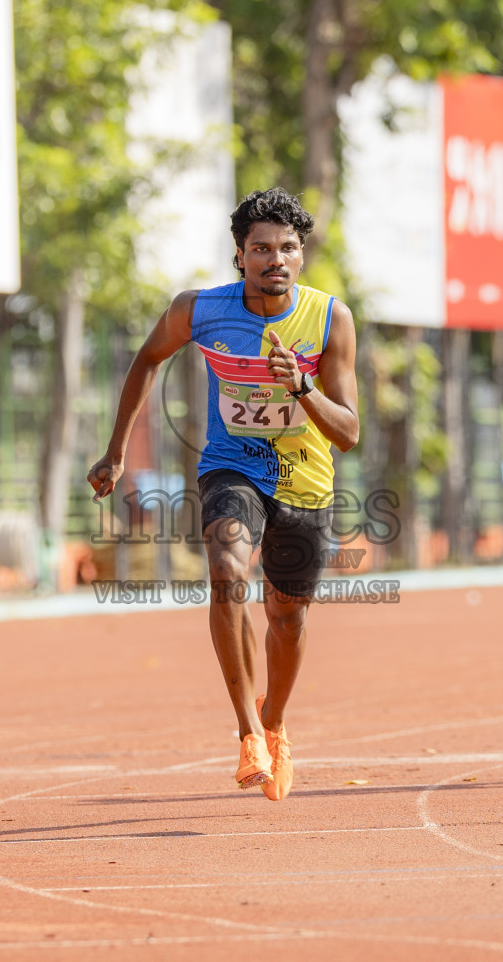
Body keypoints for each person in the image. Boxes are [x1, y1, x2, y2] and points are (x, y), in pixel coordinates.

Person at [87, 188, 359, 800]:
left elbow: (349, 432)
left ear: (301, 255)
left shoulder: (328, 318)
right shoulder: (200, 310)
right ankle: (246, 733)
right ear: (239, 255)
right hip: (231, 466)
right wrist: (116, 450)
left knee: (287, 617)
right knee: (225, 571)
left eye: (287, 248)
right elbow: (146, 359)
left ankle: (276, 722)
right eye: (260, 248)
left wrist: (304, 388)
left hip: (306, 483)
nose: (275, 260)